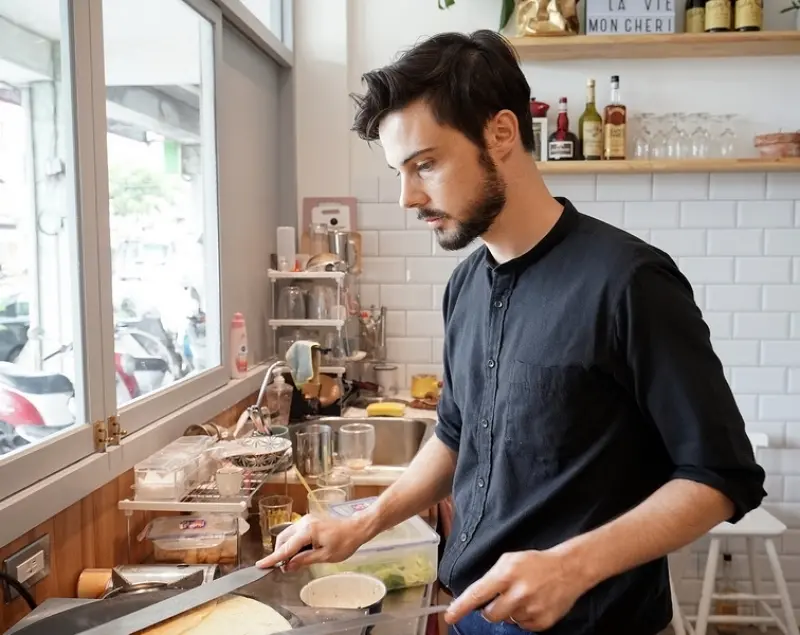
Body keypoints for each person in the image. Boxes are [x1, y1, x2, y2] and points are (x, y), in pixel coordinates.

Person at [257, 29, 766, 634]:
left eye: (425, 164)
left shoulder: (630, 282)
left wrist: (572, 566)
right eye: (400, 171)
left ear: (500, 133)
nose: (407, 197)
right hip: (470, 613)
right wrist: (362, 521)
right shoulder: (466, 285)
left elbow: (719, 476)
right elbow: (454, 434)